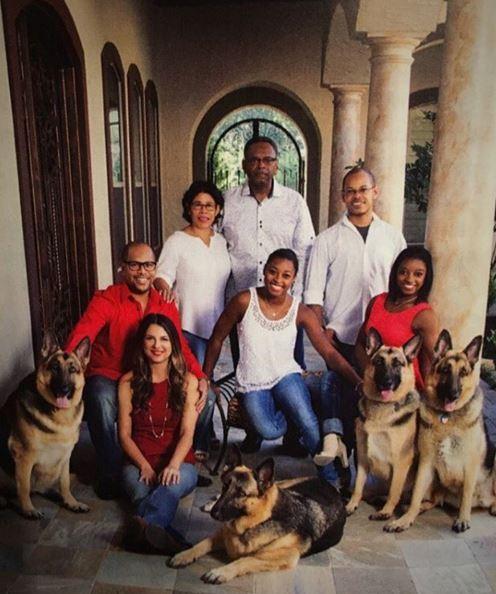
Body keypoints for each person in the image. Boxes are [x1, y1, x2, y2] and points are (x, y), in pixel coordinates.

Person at [203, 249, 363, 485]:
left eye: (286, 275)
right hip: (254, 381)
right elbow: (217, 338)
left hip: (286, 375)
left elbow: (328, 352)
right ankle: (300, 409)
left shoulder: (300, 311)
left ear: (294, 279)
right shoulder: (244, 301)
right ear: (265, 270)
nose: (278, 279)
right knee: (269, 430)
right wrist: (206, 377)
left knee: (307, 422)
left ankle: (331, 479)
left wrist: (357, 381)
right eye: (273, 272)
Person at [65, 242, 207, 499]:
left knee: (205, 398)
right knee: (100, 396)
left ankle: (182, 464)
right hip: (110, 374)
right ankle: (111, 471)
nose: (142, 272)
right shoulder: (107, 299)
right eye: (135, 265)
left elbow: (179, 346)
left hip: (151, 373)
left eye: (149, 265)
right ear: (122, 268)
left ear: (155, 268)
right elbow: (82, 335)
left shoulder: (164, 302)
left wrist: (200, 376)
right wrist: (66, 367)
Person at [304, 165, 406, 464]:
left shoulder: (392, 237)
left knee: (380, 401)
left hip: (383, 340)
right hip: (342, 337)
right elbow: (313, 292)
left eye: (363, 189)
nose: (357, 196)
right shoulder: (327, 240)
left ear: (375, 192)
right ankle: (343, 463)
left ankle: (376, 464)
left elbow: (402, 287)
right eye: (350, 191)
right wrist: (322, 331)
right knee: (344, 399)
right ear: (342, 197)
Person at [221, 137, 315, 452]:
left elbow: (305, 250)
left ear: (276, 165)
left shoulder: (294, 202)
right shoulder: (228, 201)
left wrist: (297, 299)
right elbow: (217, 245)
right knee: (247, 367)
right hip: (244, 304)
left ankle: (294, 434)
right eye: (254, 159)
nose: (261, 165)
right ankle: (254, 430)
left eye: (268, 160)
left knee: (291, 366)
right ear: (244, 165)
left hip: (283, 307)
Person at [314, 246, 438, 467]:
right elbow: (360, 344)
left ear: (426, 278)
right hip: (371, 380)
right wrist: (366, 377)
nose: (409, 279)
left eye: (418, 274)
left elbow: (436, 361)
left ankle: (349, 463)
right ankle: (336, 453)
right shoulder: (378, 302)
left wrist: (432, 401)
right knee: (330, 382)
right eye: (403, 272)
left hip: (399, 392)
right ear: (395, 272)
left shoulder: (424, 315)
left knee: (357, 417)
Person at [154, 181, 230, 458]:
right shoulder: (177, 241)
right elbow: (161, 275)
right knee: (197, 385)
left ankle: (205, 432)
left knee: (208, 380)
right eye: (198, 205)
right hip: (188, 327)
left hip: (215, 327)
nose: (204, 211)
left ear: (218, 209)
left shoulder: (221, 242)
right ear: (189, 208)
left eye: (209, 205)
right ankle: (195, 447)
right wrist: (164, 288)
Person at [118, 314, 199, 554]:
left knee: (169, 488)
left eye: (164, 339)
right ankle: (167, 539)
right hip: (137, 462)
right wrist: (143, 465)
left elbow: (187, 433)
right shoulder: (127, 383)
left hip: (180, 461)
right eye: (150, 339)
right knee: (142, 492)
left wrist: (173, 465)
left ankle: (139, 532)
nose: (157, 346)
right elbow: (124, 435)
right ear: (142, 343)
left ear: (173, 344)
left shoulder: (188, 381)